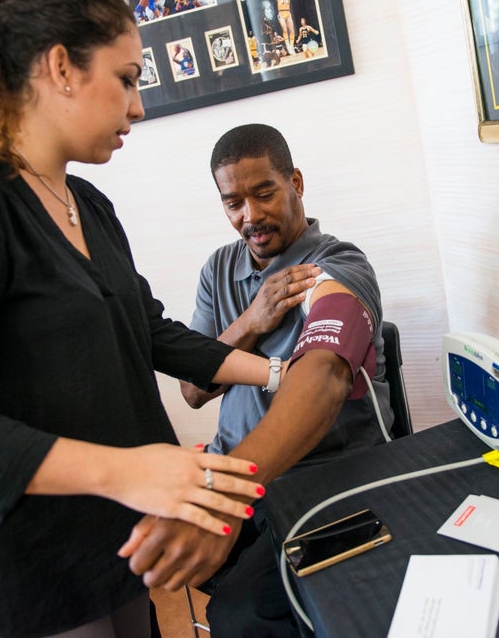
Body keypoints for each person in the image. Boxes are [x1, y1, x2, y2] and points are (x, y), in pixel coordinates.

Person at [0, 0, 274, 637]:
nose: (139, 105)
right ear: (61, 68)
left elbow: (147, 328)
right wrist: (132, 470)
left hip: (106, 532)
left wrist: (275, 374)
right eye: (127, 78)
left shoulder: (87, 203)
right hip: (9, 558)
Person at [118, 123, 393, 637]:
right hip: (236, 475)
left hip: (319, 479)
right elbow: (195, 391)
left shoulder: (337, 263)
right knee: (142, 557)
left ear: (297, 182)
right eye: (233, 203)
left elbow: (327, 371)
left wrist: (236, 489)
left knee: (241, 618)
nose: (250, 216)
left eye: (264, 193)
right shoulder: (218, 269)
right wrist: (251, 320)